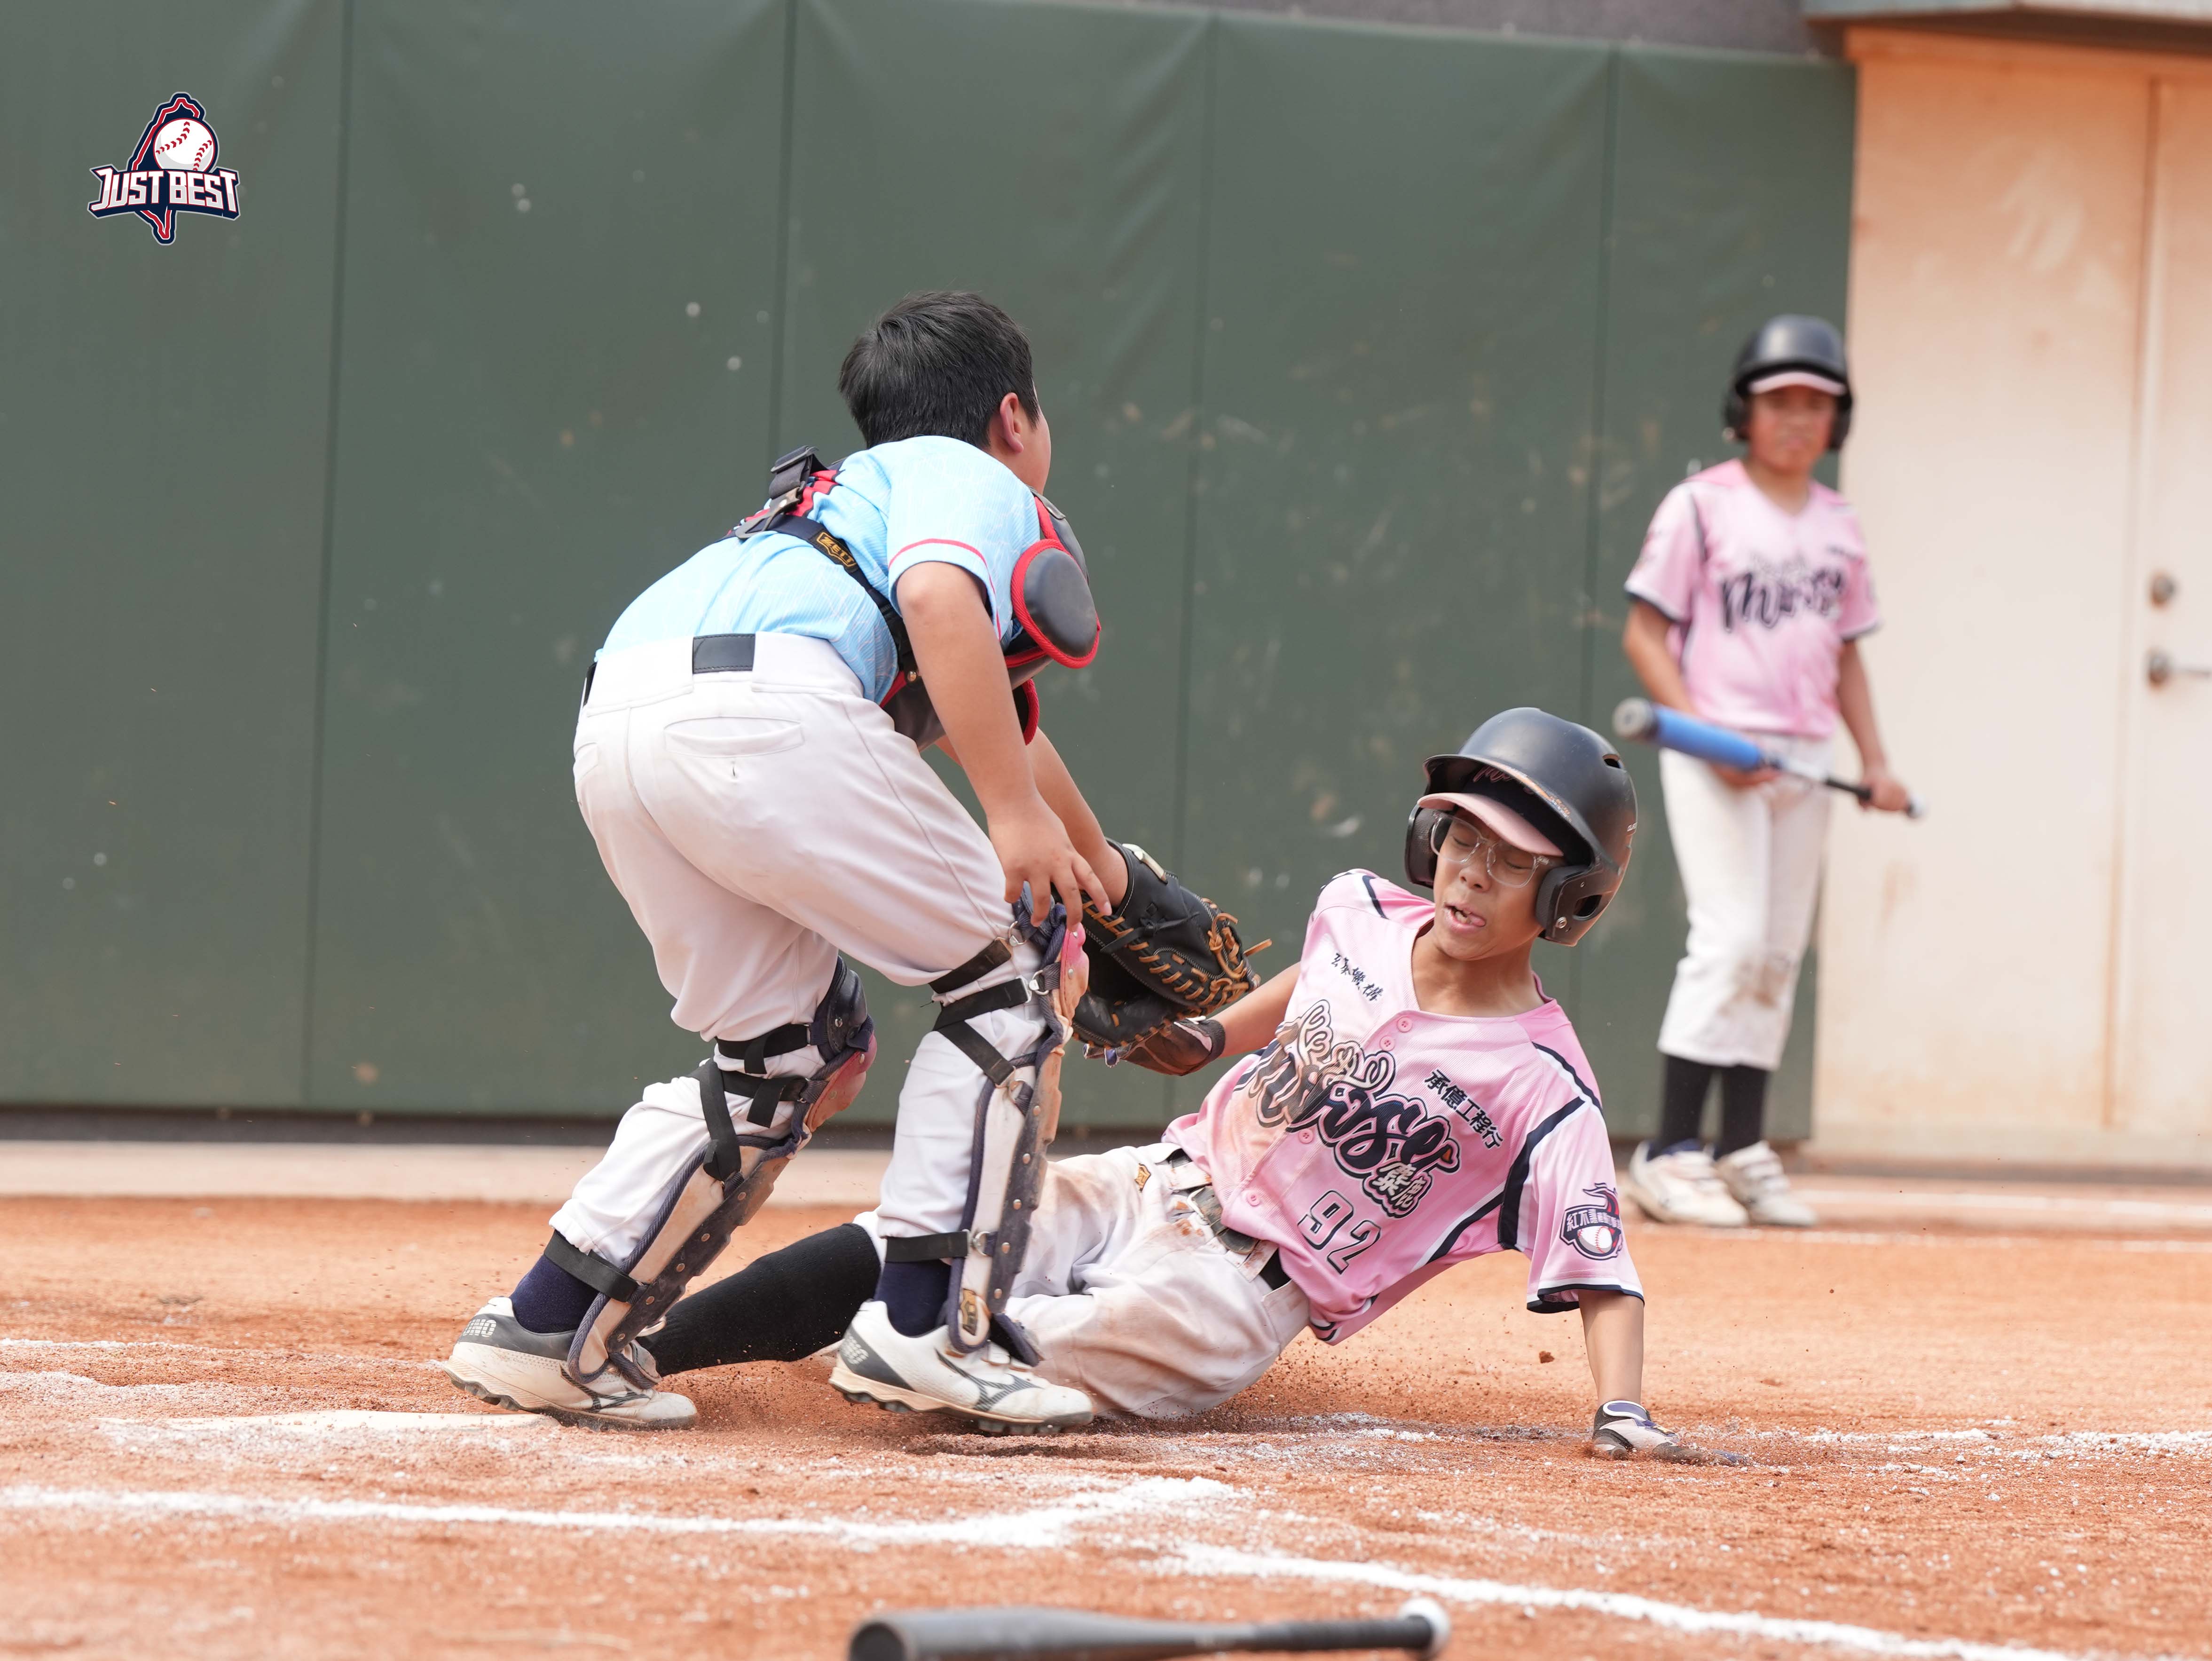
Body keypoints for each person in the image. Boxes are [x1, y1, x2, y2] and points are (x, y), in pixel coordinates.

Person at [441, 292, 1189, 1433]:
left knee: (784, 1050)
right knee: (1017, 973)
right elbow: (944, 610)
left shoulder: (837, 499)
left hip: (623, 718)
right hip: (766, 716)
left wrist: (1093, 860)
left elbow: (987, 709)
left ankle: (552, 1320)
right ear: (1014, 417)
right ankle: (931, 1322)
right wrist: (1006, 820)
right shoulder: (968, 471)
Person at [633, 711, 1722, 1461]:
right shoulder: (1359, 907)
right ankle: (645, 1342)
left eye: (1517, 859)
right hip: (1150, 1180)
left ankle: (892, 1362)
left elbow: (1600, 1263)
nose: (1472, 870)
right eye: (1462, 835)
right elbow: (1311, 983)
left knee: (974, 1358)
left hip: (1230, 1297)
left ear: (1572, 897)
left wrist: (1620, 1406)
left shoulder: (1545, 1088)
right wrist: (1207, 1034)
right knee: (927, 1239)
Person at [1618, 315, 1912, 1230]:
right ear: (1743, 411)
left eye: (1817, 403)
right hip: (1722, 752)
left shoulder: (1839, 524)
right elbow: (1643, 633)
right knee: (1731, 936)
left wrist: (1876, 761)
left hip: (1805, 751)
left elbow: (1846, 655)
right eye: (1779, 399)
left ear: (1838, 419)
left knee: (1778, 948)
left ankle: (1742, 1146)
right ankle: (1667, 1152)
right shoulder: (1700, 505)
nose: (1797, 417)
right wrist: (1706, 734)